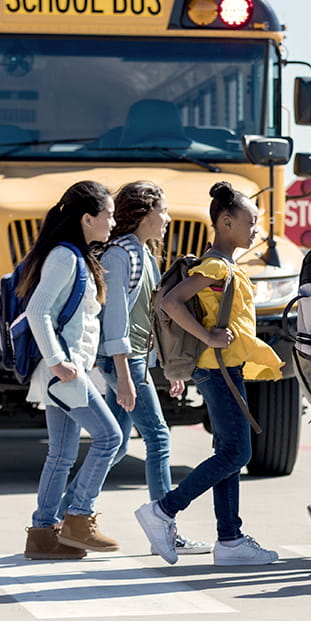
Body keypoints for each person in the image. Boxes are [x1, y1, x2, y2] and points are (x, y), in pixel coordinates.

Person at [133, 182, 285, 566]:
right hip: (218, 371)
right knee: (238, 452)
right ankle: (164, 510)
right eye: (250, 222)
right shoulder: (216, 264)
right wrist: (207, 336)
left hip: (224, 369)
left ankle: (230, 539)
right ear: (226, 222)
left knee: (228, 452)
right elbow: (170, 302)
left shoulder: (227, 264)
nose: (255, 230)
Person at [95, 181, 208, 557]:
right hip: (121, 362)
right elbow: (116, 324)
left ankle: (67, 513)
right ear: (143, 214)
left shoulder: (145, 254)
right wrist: (126, 376)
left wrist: (165, 369)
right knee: (158, 437)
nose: (168, 218)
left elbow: (147, 321)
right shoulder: (118, 256)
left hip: (135, 361)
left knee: (114, 444)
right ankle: (164, 525)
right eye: (162, 210)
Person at [21, 181, 126, 560]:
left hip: (64, 372)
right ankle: (79, 516)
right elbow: (38, 310)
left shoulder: (76, 257)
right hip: (65, 372)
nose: (113, 222)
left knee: (62, 455)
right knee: (109, 438)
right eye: (109, 215)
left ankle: (44, 534)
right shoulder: (65, 257)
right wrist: (56, 360)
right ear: (87, 218)